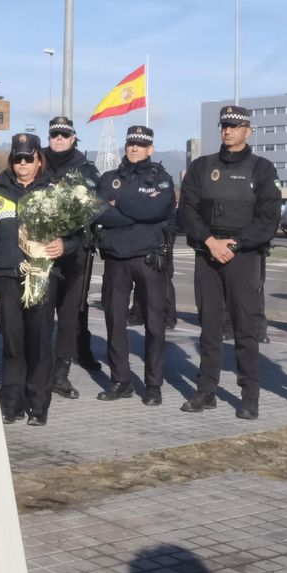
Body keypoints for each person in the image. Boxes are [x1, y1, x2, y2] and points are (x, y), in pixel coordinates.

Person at [177, 104, 281, 418]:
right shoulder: (201, 166)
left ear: (247, 130)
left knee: (244, 328)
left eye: (235, 126)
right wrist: (210, 242)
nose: (228, 131)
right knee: (209, 327)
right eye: (224, 125)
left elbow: (268, 218)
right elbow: (187, 212)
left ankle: (249, 396)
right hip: (208, 255)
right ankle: (206, 391)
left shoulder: (262, 168)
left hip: (243, 257)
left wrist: (235, 245)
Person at [0, 133, 70, 425]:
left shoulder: (54, 191)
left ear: (39, 160)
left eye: (28, 158)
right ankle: (12, 401)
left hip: (41, 275)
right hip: (5, 276)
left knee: (38, 342)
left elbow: (75, 235)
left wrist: (66, 246)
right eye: (17, 158)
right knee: (12, 341)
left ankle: (39, 403)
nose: (22, 163)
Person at [95, 125, 176, 404]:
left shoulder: (162, 179)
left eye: (140, 145)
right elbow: (98, 211)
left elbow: (158, 209)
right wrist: (138, 209)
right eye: (131, 143)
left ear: (150, 149)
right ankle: (121, 380)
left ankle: (153, 385)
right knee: (114, 320)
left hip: (148, 258)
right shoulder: (108, 179)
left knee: (155, 323)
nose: (134, 148)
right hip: (116, 259)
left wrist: (121, 205)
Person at [42, 116, 102, 400]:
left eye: (64, 135)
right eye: (54, 135)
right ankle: (38, 366)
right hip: (39, 250)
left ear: (73, 138)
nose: (58, 139)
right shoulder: (36, 161)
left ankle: (60, 373)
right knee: (39, 313)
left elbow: (91, 207)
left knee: (68, 316)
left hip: (74, 252)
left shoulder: (86, 169)